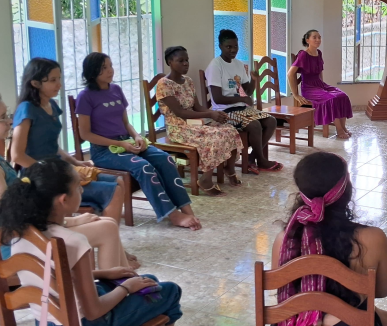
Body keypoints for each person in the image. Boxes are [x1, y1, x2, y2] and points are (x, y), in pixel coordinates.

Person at [0, 158, 185, 326]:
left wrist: (104, 273)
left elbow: (57, 279)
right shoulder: (73, 241)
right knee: (168, 293)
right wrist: (126, 288)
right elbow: (94, 310)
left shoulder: (21, 233)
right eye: (78, 187)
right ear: (63, 200)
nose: (82, 190)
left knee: (148, 282)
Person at [0, 89, 137, 270]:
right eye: (2, 118)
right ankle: (112, 300)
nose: (10, 120)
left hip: (21, 234)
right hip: (10, 246)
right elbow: (14, 214)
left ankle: (123, 288)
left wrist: (68, 222)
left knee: (107, 222)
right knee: (107, 228)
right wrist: (68, 222)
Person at [266, 152, 387, 326]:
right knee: (361, 304)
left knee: (311, 303)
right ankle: (384, 320)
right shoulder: (372, 238)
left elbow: (284, 297)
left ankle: (383, 319)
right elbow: (381, 291)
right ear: (345, 191)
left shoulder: (285, 239)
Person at [75, 52, 201, 230]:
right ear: (92, 71)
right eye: (104, 67)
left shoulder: (116, 90)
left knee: (165, 159)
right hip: (105, 151)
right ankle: (172, 215)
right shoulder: (85, 96)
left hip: (126, 142)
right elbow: (86, 134)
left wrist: (137, 137)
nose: (110, 70)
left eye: (110, 65)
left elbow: (126, 122)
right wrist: (120, 144)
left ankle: (186, 210)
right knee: (144, 167)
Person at [11, 57, 126, 223]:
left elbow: (54, 146)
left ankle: (110, 242)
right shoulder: (27, 109)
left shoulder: (52, 105)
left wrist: (76, 162)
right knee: (114, 190)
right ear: (35, 83)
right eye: (52, 80)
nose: (59, 84)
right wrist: (48, 173)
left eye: (59, 79)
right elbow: (17, 155)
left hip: (59, 170)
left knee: (119, 181)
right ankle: (109, 241)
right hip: (40, 178)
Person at [156, 46, 242, 196]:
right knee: (215, 136)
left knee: (230, 129)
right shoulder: (164, 84)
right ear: (170, 62)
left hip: (194, 123)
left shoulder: (188, 81)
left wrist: (214, 114)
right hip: (178, 128)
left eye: (187, 60)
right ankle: (205, 180)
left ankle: (230, 169)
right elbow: (180, 112)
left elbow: (197, 106)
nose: (185, 64)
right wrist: (209, 114)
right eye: (180, 60)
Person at [204, 29, 281, 174]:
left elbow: (248, 92)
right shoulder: (215, 66)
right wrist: (241, 98)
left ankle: (252, 158)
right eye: (228, 47)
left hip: (240, 108)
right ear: (220, 46)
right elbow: (217, 98)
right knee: (254, 125)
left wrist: (253, 79)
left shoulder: (238, 64)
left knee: (271, 121)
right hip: (223, 111)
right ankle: (262, 160)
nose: (233, 50)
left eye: (235, 46)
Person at [287, 30, 354, 139]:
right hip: (309, 88)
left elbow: (320, 71)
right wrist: (295, 94)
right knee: (332, 99)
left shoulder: (319, 53)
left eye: (319, 37)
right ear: (307, 40)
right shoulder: (303, 55)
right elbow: (290, 73)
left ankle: (343, 127)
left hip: (319, 85)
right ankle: (339, 130)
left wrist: (323, 86)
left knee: (343, 96)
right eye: (314, 37)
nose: (318, 40)